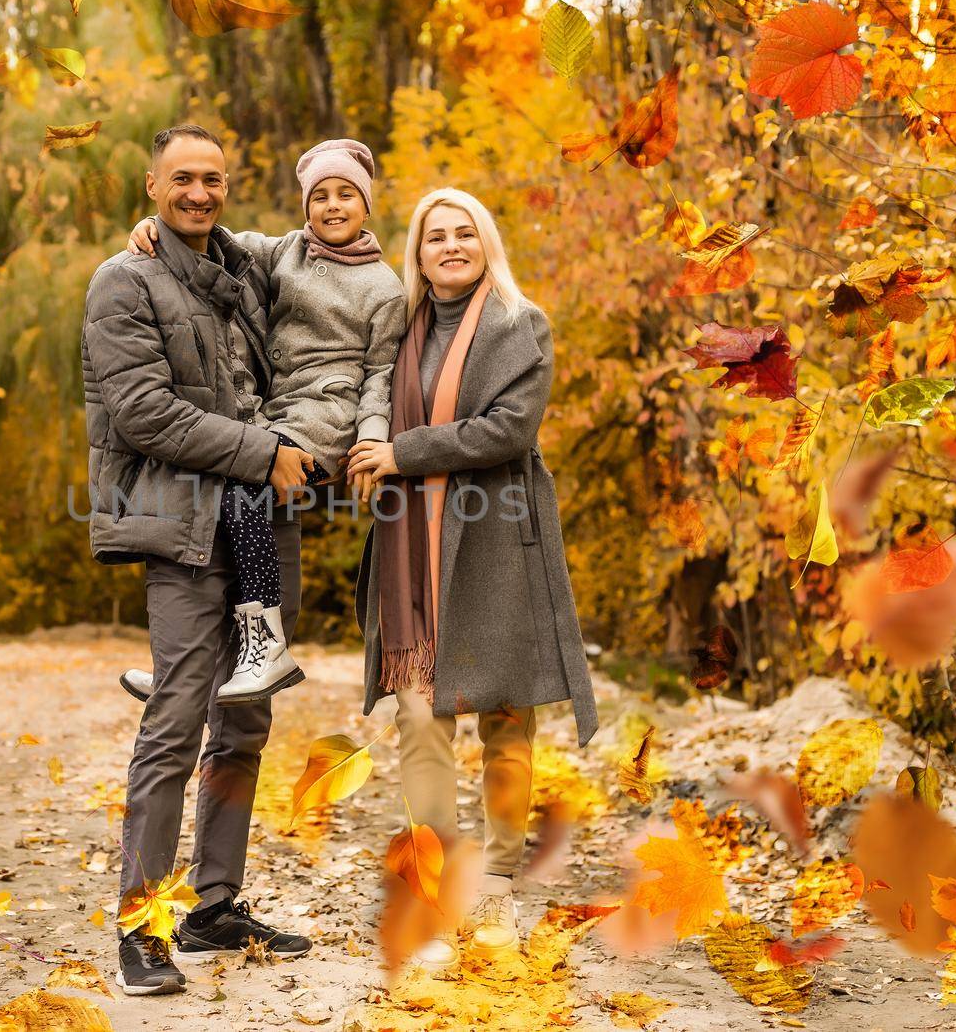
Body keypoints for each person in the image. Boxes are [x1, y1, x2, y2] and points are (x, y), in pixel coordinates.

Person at [81, 124, 313, 996]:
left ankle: (213, 904)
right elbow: (142, 412)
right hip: (181, 526)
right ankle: (142, 926)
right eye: (183, 178)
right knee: (176, 722)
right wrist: (262, 452)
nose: (199, 193)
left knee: (246, 718)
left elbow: (321, 253)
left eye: (213, 178)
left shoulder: (244, 270)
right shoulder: (122, 281)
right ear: (151, 185)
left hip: (262, 520)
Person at [346, 187, 600, 973]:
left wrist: (404, 453)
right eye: (435, 237)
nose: (450, 245)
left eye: (464, 233)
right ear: (417, 255)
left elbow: (506, 430)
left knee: (502, 707)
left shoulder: (521, 324)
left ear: (485, 243)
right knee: (417, 703)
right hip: (410, 540)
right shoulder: (400, 328)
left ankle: (499, 857)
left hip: (495, 533)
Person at [117, 138, 407, 706]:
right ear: (305, 207)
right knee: (223, 501)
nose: (332, 206)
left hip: (329, 415)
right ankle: (187, 669)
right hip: (277, 411)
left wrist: (371, 439)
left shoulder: (384, 288)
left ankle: (265, 643)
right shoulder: (286, 253)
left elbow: (381, 374)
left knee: (242, 484)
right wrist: (152, 229)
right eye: (319, 196)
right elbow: (216, 246)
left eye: (346, 195)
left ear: (366, 205)